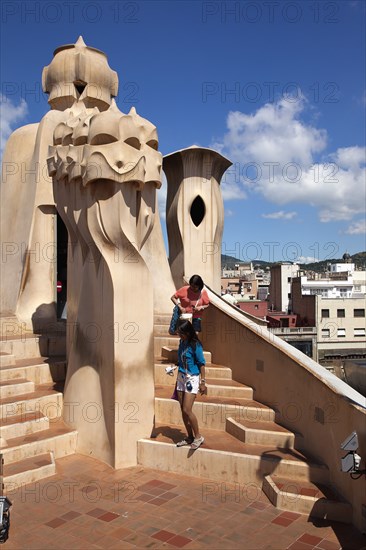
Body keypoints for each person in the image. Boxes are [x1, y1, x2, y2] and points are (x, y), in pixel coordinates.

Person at [175, 320, 206, 449]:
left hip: (192, 378)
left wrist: (202, 382)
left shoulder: (196, 345)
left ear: (188, 332)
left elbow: (201, 364)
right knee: (182, 410)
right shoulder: (182, 342)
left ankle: (198, 436)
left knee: (187, 409)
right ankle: (189, 437)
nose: (179, 336)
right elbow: (181, 359)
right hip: (181, 377)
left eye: (181, 334)